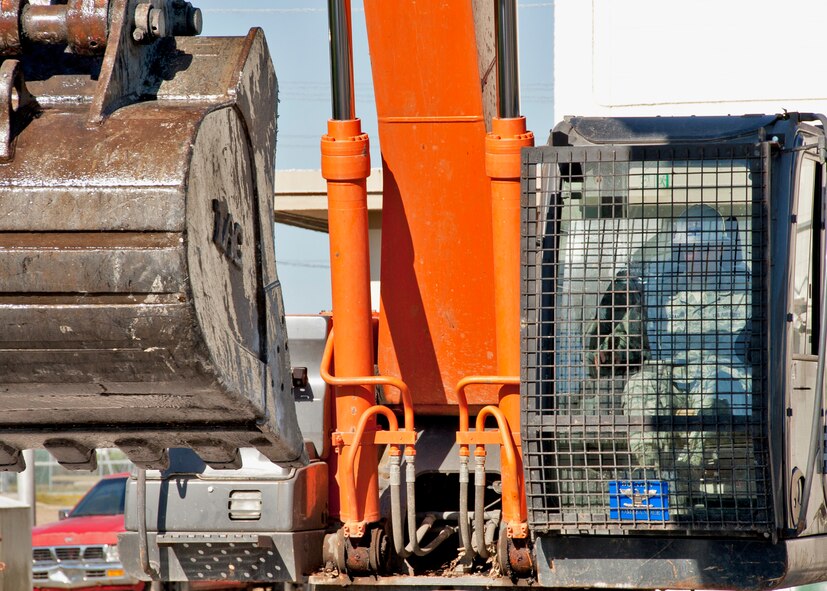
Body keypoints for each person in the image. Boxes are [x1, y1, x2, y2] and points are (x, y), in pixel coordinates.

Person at [588, 204, 752, 504]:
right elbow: (631, 339)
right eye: (687, 250)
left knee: (716, 386)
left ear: (721, 248)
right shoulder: (657, 287)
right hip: (669, 373)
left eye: (705, 249)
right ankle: (654, 472)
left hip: (727, 380)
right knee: (640, 386)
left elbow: (762, 348)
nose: (695, 257)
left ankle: (685, 473)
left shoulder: (748, 287)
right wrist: (609, 353)